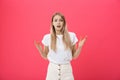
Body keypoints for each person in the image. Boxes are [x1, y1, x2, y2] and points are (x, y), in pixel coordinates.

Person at [34, 12, 87, 80]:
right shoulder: (47, 37)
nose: (58, 22)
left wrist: (80, 47)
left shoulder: (71, 36)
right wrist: (40, 49)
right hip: (52, 71)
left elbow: (74, 56)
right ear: (52, 23)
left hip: (67, 71)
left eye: (61, 20)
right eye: (55, 20)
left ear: (64, 23)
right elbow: (45, 56)